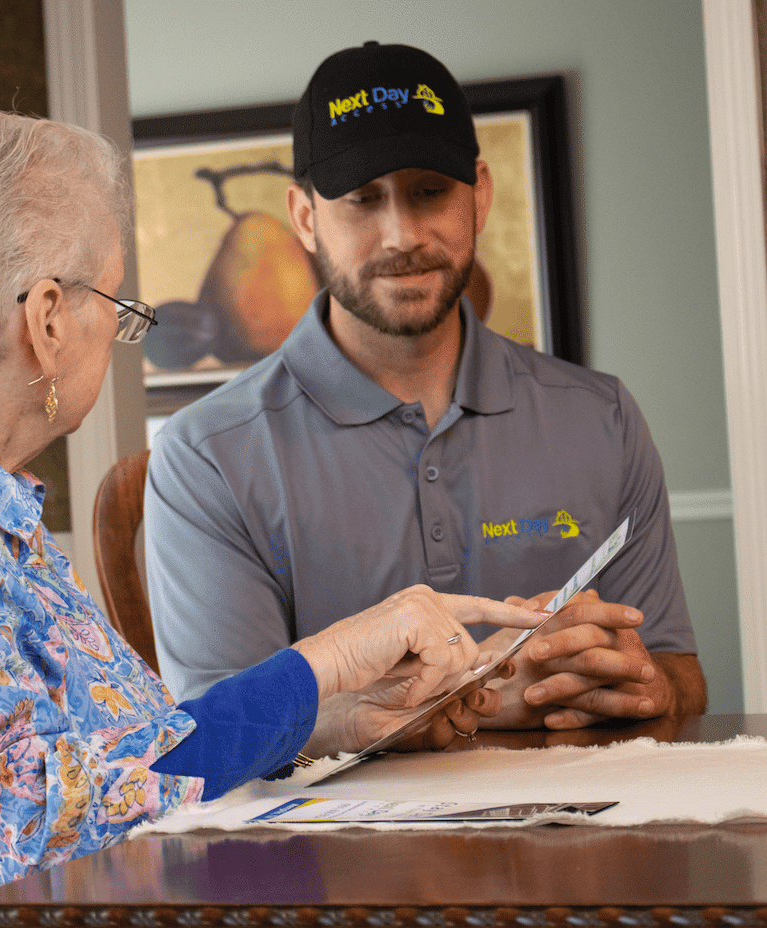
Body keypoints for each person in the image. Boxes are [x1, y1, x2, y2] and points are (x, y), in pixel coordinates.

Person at [0, 103, 541, 926]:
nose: (116, 337)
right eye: (117, 307)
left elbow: (99, 768)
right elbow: (9, 845)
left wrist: (322, 718)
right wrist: (316, 666)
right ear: (47, 319)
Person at [145, 41, 708, 734]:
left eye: (429, 191)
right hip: (331, 844)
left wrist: (645, 686)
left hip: (579, 837)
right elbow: (215, 735)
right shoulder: (206, 455)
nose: (402, 233)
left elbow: (679, 672)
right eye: (361, 199)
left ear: (480, 192)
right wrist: (465, 696)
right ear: (302, 217)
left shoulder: (602, 419)